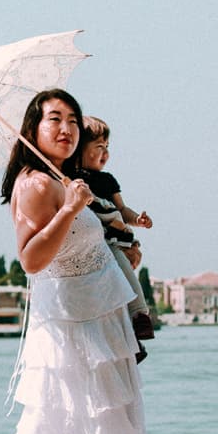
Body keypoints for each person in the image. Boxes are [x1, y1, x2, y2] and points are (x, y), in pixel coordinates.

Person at [0, 88, 166, 434]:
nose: (66, 129)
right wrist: (68, 210)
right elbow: (32, 258)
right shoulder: (36, 184)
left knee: (90, 425)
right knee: (83, 424)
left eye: (73, 121)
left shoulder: (70, 176)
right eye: (54, 120)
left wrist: (123, 252)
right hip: (70, 324)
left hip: (102, 313)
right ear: (33, 129)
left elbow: (85, 242)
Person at [78, 116, 156, 347]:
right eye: (98, 147)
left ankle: (140, 314)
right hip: (98, 243)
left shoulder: (107, 180)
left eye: (107, 147)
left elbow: (121, 209)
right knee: (115, 289)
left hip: (116, 241)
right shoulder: (73, 182)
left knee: (125, 276)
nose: (105, 153)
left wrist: (138, 220)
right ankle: (134, 333)